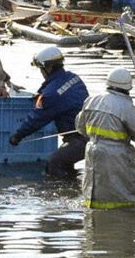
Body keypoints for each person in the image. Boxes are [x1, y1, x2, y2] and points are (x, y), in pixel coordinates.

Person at [8, 46, 89, 178]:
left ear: (48, 68)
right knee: (65, 164)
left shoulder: (51, 95)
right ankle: (73, 185)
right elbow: (59, 92)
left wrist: (17, 136)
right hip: (90, 135)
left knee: (54, 164)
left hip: (80, 140)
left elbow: (36, 119)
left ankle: (64, 194)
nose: (41, 72)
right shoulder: (74, 78)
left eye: (41, 69)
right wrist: (41, 95)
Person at [75, 68, 135, 209]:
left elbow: (80, 127)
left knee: (94, 186)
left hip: (93, 150)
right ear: (128, 88)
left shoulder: (91, 100)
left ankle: (96, 220)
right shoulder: (125, 106)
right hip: (117, 154)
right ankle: (122, 219)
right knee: (125, 192)